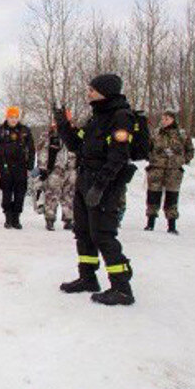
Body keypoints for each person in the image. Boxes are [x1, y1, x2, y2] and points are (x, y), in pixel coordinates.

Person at [55, 73, 138, 306]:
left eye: (92, 89)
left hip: (105, 185)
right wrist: (63, 125)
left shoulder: (121, 117)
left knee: (103, 234)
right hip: (85, 179)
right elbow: (77, 145)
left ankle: (122, 288)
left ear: (106, 91)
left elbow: (118, 156)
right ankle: (88, 278)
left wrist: (100, 186)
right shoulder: (96, 117)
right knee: (83, 232)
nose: (88, 93)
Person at [145, 110, 195, 235]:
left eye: (167, 119)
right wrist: (151, 158)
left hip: (174, 170)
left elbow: (190, 150)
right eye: (163, 119)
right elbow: (147, 148)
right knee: (153, 195)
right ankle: (150, 223)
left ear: (173, 120)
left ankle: (171, 225)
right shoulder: (155, 134)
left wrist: (182, 160)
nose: (164, 121)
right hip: (156, 169)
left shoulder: (182, 135)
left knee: (172, 197)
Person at [0, 106, 35, 229]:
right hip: (5, 167)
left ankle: (16, 218)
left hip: (21, 168)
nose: (13, 120)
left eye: (16, 117)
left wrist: (30, 166)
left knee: (20, 194)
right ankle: (8, 218)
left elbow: (31, 150)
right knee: (6, 194)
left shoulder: (25, 131)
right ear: (7, 117)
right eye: (11, 117)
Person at [39, 120, 77, 231]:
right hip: (55, 170)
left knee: (69, 195)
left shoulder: (73, 135)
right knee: (52, 195)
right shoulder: (48, 136)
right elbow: (42, 152)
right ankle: (50, 219)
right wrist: (42, 168)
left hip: (71, 170)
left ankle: (68, 219)